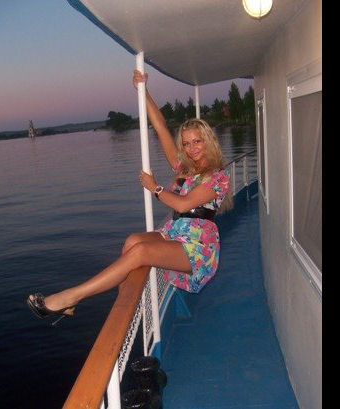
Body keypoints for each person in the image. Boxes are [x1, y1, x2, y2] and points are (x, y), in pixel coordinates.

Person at [27, 70, 233, 324]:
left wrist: (155, 188)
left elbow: (183, 204)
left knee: (141, 251)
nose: (192, 149)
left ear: (208, 141)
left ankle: (70, 298)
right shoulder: (185, 168)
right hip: (176, 233)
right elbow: (160, 126)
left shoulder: (217, 176)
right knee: (132, 241)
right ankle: (124, 302)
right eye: (187, 144)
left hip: (198, 247)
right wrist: (143, 91)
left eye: (197, 142)